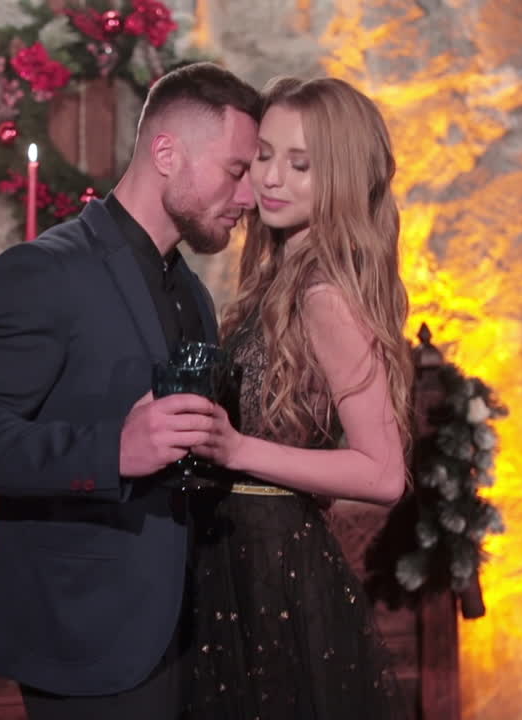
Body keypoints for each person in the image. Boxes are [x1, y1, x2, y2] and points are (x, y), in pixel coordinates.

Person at [0, 62, 261, 720]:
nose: (247, 196)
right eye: (236, 170)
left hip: (195, 633)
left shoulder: (192, 291)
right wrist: (111, 451)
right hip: (88, 637)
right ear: (166, 152)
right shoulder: (41, 271)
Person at [186, 76, 412, 719]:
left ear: (339, 175)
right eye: (264, 155)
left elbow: (383, 473)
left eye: (300, 163)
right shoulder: (275, 276)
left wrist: (234, 449)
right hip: (240, 557)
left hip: (276, 569)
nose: (271, 178)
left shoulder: (323, 295)